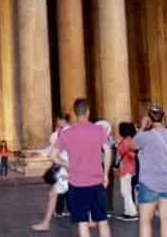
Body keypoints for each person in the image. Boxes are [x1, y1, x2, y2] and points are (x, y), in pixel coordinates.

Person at [53, 98, 112, 237]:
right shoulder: (99, 130)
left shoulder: (66, 133)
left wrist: (68, 164)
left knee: (82, 222)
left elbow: (53, 156)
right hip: (96, 182)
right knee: (102, 221)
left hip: (77, 183)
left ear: (75, 113)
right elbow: (108, 151)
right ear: (88, 112)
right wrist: (106, 174)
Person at [133, 104, 167, 237]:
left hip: (149, 183)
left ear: (149, 118)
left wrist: (142, 127)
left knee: (145, 221)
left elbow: (132, 144)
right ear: (163, 117)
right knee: (166, 220)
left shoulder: (145, 136)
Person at [32, 113, 72, 232]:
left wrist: (66, 163)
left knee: (54, 194)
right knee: (54, 193)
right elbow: (53, 148)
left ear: (61, 120)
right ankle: (91, 219)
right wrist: (39, 152)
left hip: (67, 168)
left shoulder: (66, 133)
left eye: (57, 120)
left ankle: (46, 223)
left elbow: (55, 150)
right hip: (67, 167)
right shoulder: (63, 132)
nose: (56, 122)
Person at [115, 122, 137, 221]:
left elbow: (130, 154)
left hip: (126, 168)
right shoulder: (129, 140)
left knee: (125, 191)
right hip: (128, 168)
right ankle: (127, 211)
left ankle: (132, 212)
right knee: (126, 191)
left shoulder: (125, 141)